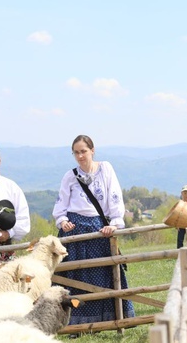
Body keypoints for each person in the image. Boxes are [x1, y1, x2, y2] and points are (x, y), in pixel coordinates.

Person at [52, 135, 135, 325]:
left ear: (92, 150)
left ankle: (107, 318)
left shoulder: (105, 168)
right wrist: (63, 221)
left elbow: (115, 196)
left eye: (83, 151)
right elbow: (61, 205)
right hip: (74, 230)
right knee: (74, 276)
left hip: (99, 229)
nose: (80, 156)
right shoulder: (70, 176)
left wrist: (114, 223)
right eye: (76, 152)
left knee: (102, 273)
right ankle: (74, 322)